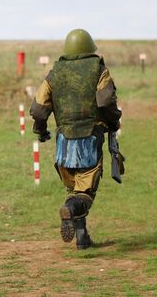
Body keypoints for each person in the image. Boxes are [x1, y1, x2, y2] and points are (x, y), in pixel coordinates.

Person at [30, 29, 121, 250]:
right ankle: (70, 210)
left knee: (74, 189)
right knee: (84, 193)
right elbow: (106, 101)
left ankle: (83, 238)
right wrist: (113, 122)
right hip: (90, 138)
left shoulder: (54, 73)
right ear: (90, 48)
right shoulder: (99, 70)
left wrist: (40, 131)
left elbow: (39, 109)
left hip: (64, 142)